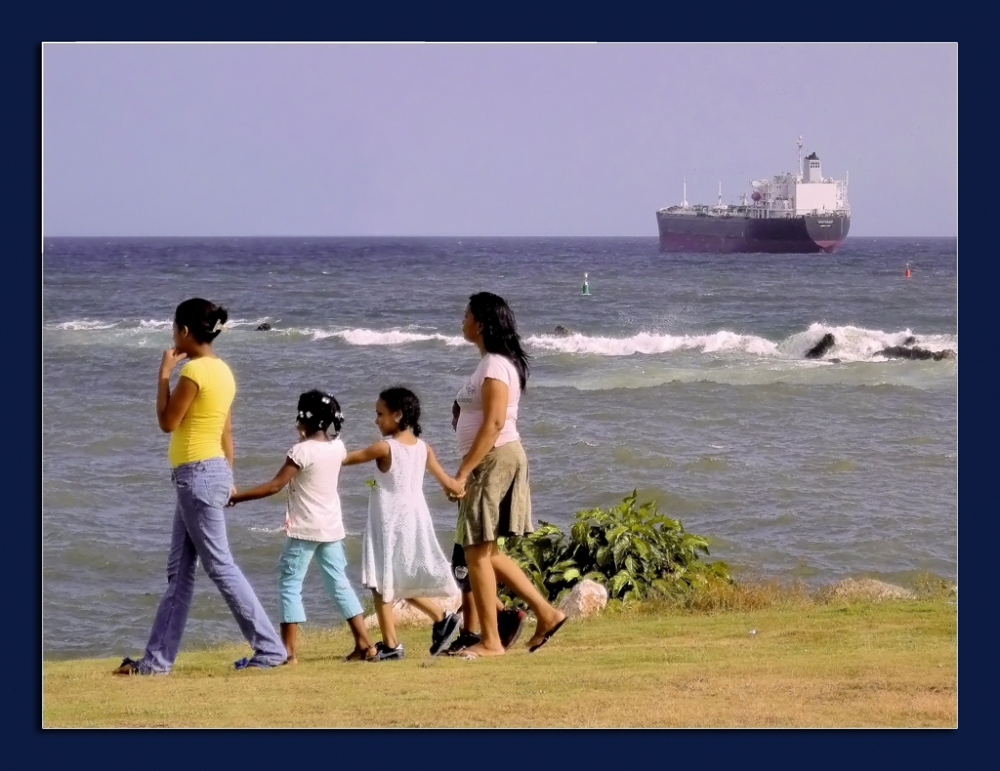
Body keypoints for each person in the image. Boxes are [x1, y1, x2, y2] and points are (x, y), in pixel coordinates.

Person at [114, 298, 286, 675]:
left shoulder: (192, 372)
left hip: (197, 476)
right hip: (207, 474)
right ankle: (156, 662)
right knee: (180, 571)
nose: (172, 336)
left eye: (174, 328)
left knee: (220, 566)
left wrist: (163, 374)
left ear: (186, 332)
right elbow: (226, 431)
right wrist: (227, 476)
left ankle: (270, 649)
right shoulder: (223, 371)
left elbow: (167, 422)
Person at [451, 292, 567, 659]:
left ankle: (490, 642)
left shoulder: (496, 365)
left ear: (481, 324)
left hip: (494, 459)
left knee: (476, 552)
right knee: (487, 551)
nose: (462, 320)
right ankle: (547, 614)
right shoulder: (492, 363)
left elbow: (496, 422)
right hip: (495, 457)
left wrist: (464, 470)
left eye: (467, 315)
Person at [227, 390, 378, 664]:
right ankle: (365, 644)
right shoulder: (338, 447)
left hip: (305, 530)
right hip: (332, 527)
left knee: (289, 584)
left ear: (303, 419)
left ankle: (288, 652)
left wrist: (236, 498)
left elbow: (275, 485)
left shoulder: (300, 452)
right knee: (339, 583)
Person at [342, 386, 465, 660]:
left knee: (382, 582)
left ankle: (391, 644)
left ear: (397, 415)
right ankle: (441, 617)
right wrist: (460, 487)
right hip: (415, 517)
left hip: (389, 518)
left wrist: (318, 449)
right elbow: (449, 483)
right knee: (398, 578)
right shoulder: (423, 448)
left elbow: (345, 459)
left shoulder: (384, 447)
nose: (376, 420)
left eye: (379, 414)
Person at [443, 399, 526, 656]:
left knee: (466, 579)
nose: (454, 424)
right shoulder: (480, 455)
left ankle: (474, 630)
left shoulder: (477, 457)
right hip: (484, 531)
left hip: (471, 533)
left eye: (458, 417)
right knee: (469, 578)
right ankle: (498, 618)